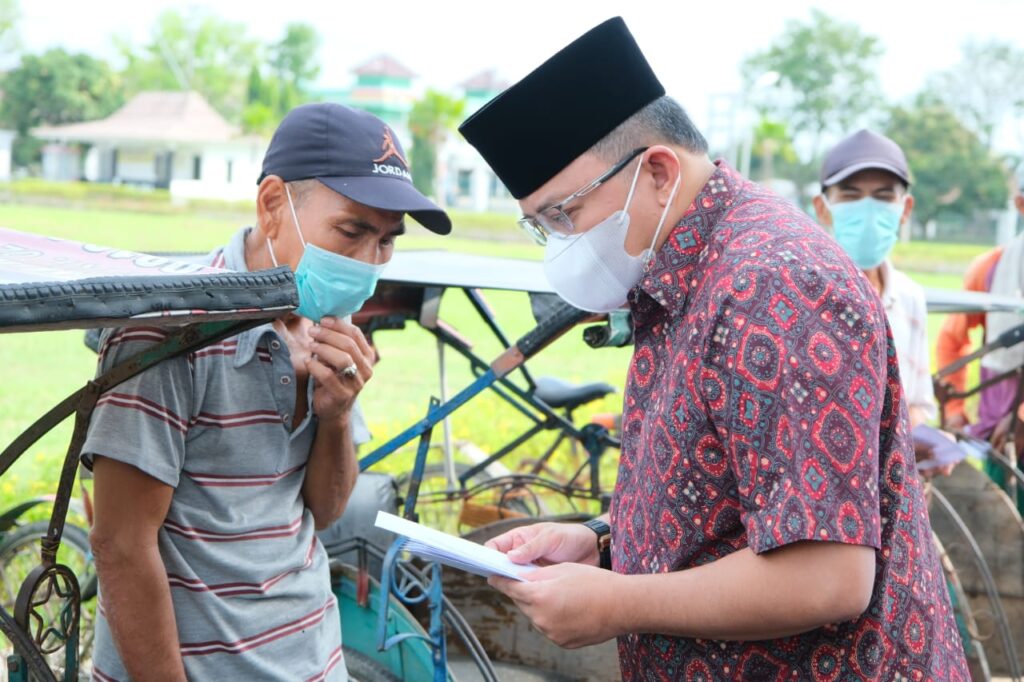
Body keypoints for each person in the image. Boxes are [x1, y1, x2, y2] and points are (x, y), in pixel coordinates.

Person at [459, 17, 967, 679]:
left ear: (660, 172)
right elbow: (726, 495)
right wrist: (602, 543)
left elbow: (827, 575)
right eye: (540, 226)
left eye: (564, 214)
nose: (561, 243)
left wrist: (621, 602)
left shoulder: (772, 284)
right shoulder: (680, 272)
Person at [82, 103, 450, 681]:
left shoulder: (326, 324)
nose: (367, 262)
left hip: (313, 654)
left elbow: (324, 512)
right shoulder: (169, 334)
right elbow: (121, 546)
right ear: (274, 205)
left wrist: (335, 418)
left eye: (385, 242)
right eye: (351, 231)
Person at [811, 130, 956, 476]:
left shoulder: (909, 297)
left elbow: (916, 405)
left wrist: (932, 444)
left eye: (882, 196)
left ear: (904, 209)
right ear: (823, 208)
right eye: (850, 195)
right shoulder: (803, 296)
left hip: (895, 489)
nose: (868, 208)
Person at [936, 180, 1024, 452]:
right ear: (1020, 205)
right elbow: (952, 339)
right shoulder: (991, 269)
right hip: (1000, 436)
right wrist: (954, 410)